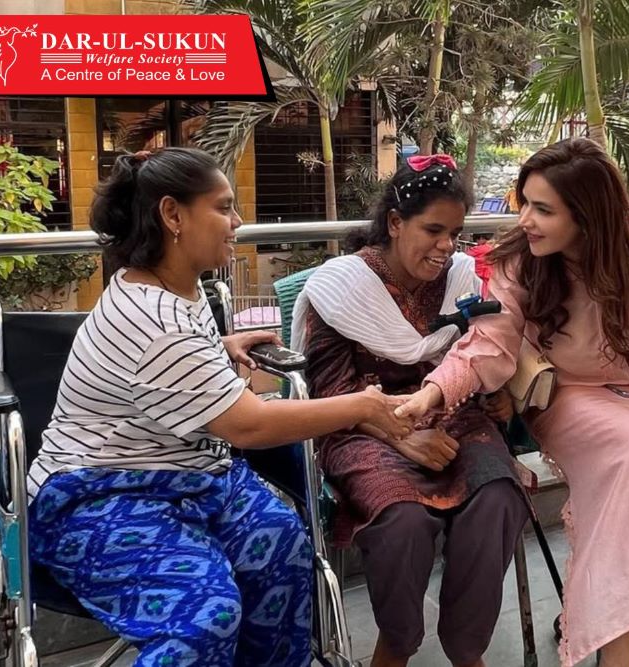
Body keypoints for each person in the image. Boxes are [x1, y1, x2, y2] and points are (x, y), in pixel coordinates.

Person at [26, 148, 411, 667]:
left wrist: (220, 347)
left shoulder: (175, 289)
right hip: (103, 493)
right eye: (224, 207)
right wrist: (361, 405)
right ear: (172, 215)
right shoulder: (153, 321)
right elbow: (247, 425)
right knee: (203, 616)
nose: (237, 222)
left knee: (281, 543)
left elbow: (184, 365)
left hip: (190, 476)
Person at [396, 138, 629, 667]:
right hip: (567, 397)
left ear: (588, 215)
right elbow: (488, 344)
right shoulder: (516, 263)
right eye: (525, 203)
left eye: (544, 209)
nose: (527, 220)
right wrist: (433, 392)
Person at [292, 154, 526, 667]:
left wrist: (498, 392)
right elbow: (329, 391)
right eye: (433, 230)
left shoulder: (465, 278)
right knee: (402, 521)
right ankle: (396, 645)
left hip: (455, 417)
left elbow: (476, 361)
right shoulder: (343, 287)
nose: (447, 247)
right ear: (395, 224)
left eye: (456, 234)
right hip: (358, 427)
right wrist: (401, 437)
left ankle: (467, 649)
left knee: (499, 499)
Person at [466, 232, 495, 297]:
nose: (476, 242)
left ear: (481, 238)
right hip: (490, 277)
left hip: (478, 278)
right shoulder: (492, 248)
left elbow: (466, 256)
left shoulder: (476, 250)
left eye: (477, 240)